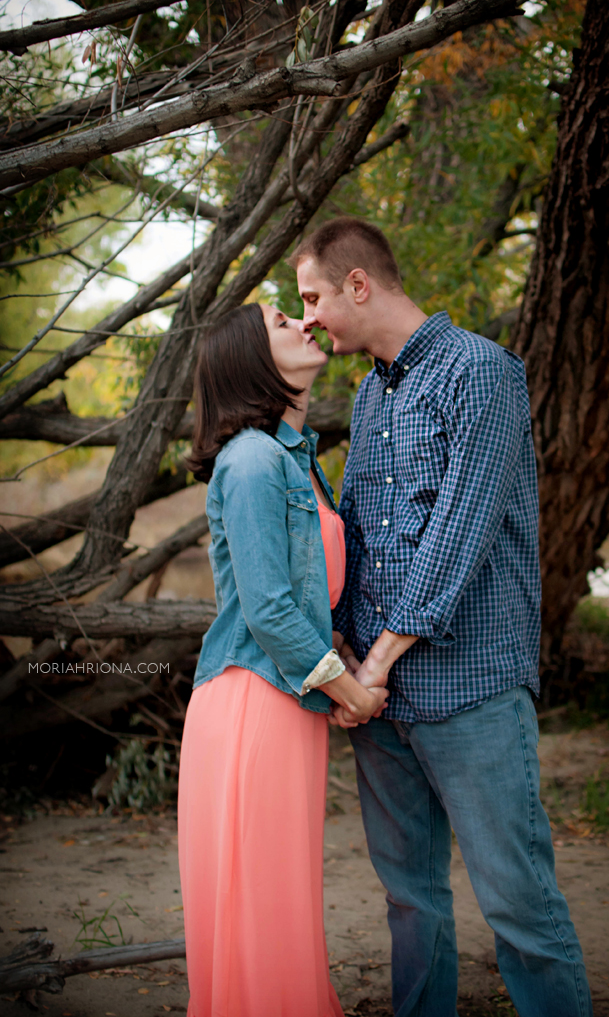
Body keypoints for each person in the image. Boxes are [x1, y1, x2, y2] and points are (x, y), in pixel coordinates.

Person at [292, 218, 593, 1017]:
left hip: (471, 693)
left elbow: (459, 534)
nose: (311, 316)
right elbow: (359, 531)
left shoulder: (481, 373)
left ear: (359, 284)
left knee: (519, 906)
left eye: (313, 296)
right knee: (409, 905)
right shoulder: (370, 391)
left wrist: (375, 666)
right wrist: (350, 655)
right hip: (380, 703)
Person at [177, 301, 388, 1017]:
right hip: (251, 705)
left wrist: (344, 662)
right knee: (261, 900)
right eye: (281, 322)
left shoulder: (293, 460)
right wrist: (350, 695)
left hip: (287, 699)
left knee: (281, 895)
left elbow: (307, 601)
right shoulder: (252, 461)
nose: (305, 324)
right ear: (252, 361)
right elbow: (267, 609)